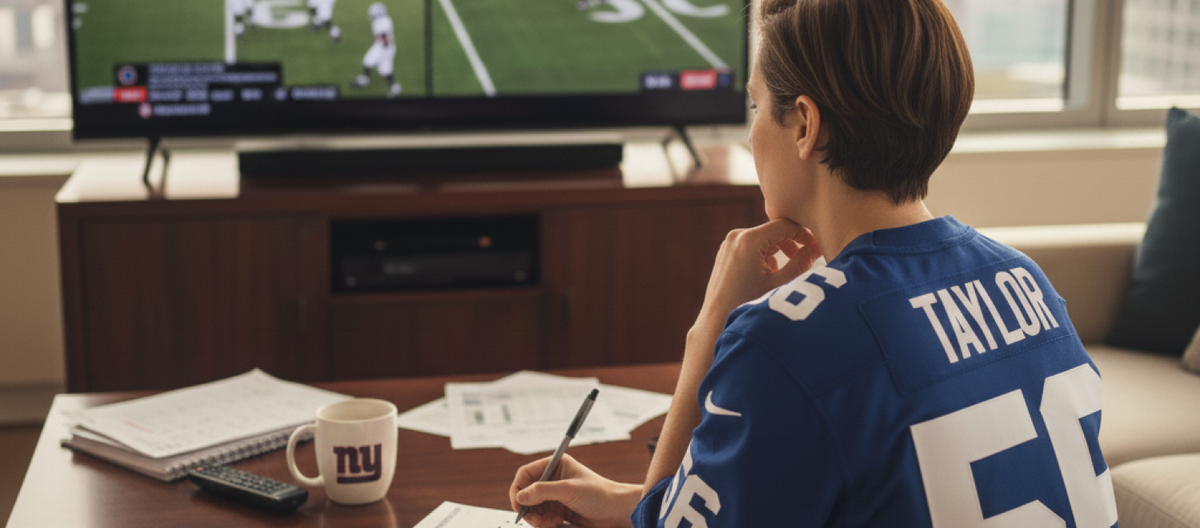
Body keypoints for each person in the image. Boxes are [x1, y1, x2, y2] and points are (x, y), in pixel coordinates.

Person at [509, 0, 1121, 526]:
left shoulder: (785, 338)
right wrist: (633, 502)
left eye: (754, 107)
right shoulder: (1025, 279)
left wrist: (714, 322)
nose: (751, 135)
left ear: (804, 123)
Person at [352, 2, 401, 98]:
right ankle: (394, 88)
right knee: (377, 65)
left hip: (383, 48)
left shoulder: (379, 24)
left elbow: (384, 38)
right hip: (385, 47)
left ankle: (366, 81)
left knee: (374, 64)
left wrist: (384, 50)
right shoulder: (386, 19)